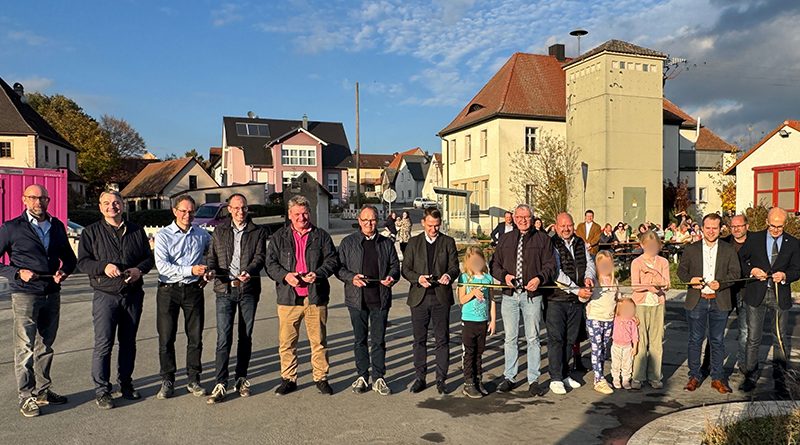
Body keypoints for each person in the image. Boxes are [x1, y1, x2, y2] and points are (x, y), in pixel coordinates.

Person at [0, 184, 76, 418]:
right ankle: (26, 396)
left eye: (43, 198)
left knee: (46, 345)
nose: (39, 202)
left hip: (51, 291)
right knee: (24, 347)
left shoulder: (57, 226)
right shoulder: (11, 228)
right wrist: (16, 273)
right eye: (33, 198)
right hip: (24, 293)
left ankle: (43, 390)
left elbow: (70, 259)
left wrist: (64, 272)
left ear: (48, 201)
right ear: (24, 200)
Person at [77, 191, 154, 409]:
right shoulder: (91, 232)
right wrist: (103, 266)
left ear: (123, 205)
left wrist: (139, 270)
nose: (112, 206)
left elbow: (148, 258)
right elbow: (83, 262)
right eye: (107, 203)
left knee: (128, 343)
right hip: (105, 296)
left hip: (132, 295)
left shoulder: (136, 230)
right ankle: (102, 390)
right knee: (104, 344)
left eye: (116, 202)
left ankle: (126, 384)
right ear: (100, 207)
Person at [266, 195, 339, 396]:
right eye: (297, 214)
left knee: (319, 341)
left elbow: (332, 260)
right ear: (290, 215)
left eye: (305, 213)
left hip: (315, 297)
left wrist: (318, 274)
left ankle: (321, 378)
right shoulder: (279, 237)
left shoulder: (321, 236)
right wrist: (285, 276)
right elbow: (270, 264)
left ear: (310, 213)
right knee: (287, 342)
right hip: (288, 298)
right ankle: (289, 379)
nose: (301, 217)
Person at [205, 194, 268, 404]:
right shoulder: (220, 231)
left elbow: (260, 257)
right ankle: (220, 382)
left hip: (248, 289)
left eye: (244, 208)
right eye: (236, 208)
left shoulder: (257, 231)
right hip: (224, 290)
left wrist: (248, 271)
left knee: (245, 336)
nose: (240, 212)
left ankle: (241, 378)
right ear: (229, 209)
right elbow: (211, 257)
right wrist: (212, 271)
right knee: (224, 338)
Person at [489, 204, 556, 397]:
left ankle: (533, 379)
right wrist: (505, 277)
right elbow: (494, 264)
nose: (522, 220)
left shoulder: (543, 239)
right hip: (510, 296)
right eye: (519, 217)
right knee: (510, 338)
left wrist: (539, 279)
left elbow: (551, 265)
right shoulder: (506, 239)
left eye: (526, 217)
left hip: (531, 296)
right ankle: (509, 377)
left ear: (532, 218)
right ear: (514, 218)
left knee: (533, 338)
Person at [336, 205, 400, 396]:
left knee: (378, 340)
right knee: (359, 340)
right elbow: (338, 268)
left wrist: (391, 277)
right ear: (359, 221)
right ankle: (362, 376)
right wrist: (352, 277)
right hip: (357, 299)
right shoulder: (348, 243)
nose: (369, 224)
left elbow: (395, 266)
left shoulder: (386, 243)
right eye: (365, 220)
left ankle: (379, 377)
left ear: (377, 220)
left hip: (379, 298)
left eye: (372, 220)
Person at [154, 195, 212, 400]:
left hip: (193, 290)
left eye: (191, 211)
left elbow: (211, 255)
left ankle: (194, 379)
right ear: (174, 211)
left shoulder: (202, 235)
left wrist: (208, 271)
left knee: (195, 338)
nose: (188, 215)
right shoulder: (163, 236)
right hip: (168, 290)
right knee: (166, 338)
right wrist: (192, 270)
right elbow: (163, 267)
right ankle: (167, 380)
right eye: (184, 211)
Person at [739, 207, 800, 397]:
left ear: (785, 224)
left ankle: (780, 379)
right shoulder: (754, 239)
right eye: (772, 226)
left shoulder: (793, 243)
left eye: (780, 227)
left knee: (780, 337)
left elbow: (797, 269)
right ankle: (750, 376)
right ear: (766, 222)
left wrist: (785, 276)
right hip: (756, 293)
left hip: (779, 295)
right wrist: (752, 271)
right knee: (753, 338)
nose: (775, 230)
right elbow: (740, 260)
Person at [677, 213, 741, 394]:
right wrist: (691, 279)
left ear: (720, 229)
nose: (711, 231)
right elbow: (681, 272)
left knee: (718, 341)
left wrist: (721, 283)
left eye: (715, 228)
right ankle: (694, 376)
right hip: (697, 300)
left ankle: (717, 377)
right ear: (702, 228)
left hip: (719, 301)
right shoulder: (691, 249)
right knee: (695, 340)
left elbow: (735, 274)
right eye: (708, 228)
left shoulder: (728, 249)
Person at [401, 207, 459, 395]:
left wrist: (449, 276)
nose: (434, 229)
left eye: (437, 225)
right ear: (423, 223)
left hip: (441, 297)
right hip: (419, 297)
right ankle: (420, 377)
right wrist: (418, 278)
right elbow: (406, 269)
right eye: (430, 225)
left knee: (442, 340)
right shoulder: (413, 242)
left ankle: (441, 379)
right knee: (420, 340)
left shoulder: (448, 242)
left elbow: (454, 267)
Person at [546, 212, 595, 395]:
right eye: (563, 226)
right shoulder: (552, 244)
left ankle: (566, 373)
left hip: (576, 301)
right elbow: (556, 273)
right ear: (556, 227)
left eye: (569, 225)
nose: (566, 229)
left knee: (570, 339)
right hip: (557, 299)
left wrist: (589, 278)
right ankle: (555, 377)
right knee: (556, 339)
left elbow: (589, 263)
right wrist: (576, 289)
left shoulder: (580, 242)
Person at [629, 231, 670, 389]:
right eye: (649, 246)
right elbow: (634, 286)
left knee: (656, 341)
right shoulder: (637, 263)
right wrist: (651, 287)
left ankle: (655, 376)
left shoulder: (663, 262)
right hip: (641, 304)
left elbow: (666, 283)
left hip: (657, 305)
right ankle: (638, 376)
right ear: (642, 245)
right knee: (640, 341)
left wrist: (653, 274)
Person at [457, 247, 497, 398]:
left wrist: (493, 320)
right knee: (469, 353)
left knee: (479, 353)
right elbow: (461, 300)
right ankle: (468, 382)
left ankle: (478, 379)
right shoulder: (465, 278)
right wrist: (473, 293)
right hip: (468, 321)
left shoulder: (488, 278)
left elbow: (492, 299)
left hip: (482, 321)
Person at [585, 250, 619, 394]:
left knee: (604, 349)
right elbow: (584, 298)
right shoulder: (595, 282)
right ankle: (598, 379)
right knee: (596, 348)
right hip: (595, 318)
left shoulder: (614, 282)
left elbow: (617, 299)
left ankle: (602, 375)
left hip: (609, 318)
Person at [611, 298, 639, 390]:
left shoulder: (632, 322)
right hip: (616, 345)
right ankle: (616, 378)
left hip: (627, 346)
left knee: (627, 364)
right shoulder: (615, 318)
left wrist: (635, 347)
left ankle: (626, 379)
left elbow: (635, 335)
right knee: (616, 363)